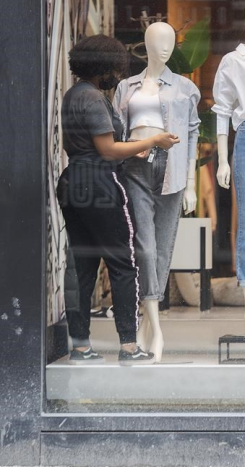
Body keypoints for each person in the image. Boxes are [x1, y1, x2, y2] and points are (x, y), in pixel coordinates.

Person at [58, 35, 179, 365]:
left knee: (82, 266)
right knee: (123, 263)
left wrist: (130, 147)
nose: (116, 73)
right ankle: (129, 345)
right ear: (103, 66)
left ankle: (80, 345)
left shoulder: (72, 95)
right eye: (113, 66)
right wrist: (154, 139)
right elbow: (108, 150)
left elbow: (93, 147)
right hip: (100, 183)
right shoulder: (95, 99)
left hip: (72, 182)